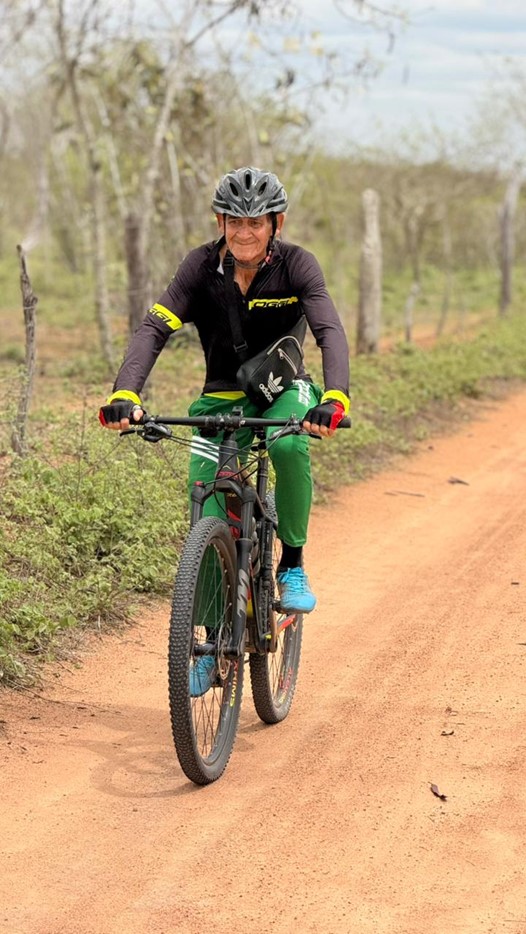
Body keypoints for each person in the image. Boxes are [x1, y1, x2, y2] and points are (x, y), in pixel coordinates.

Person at [99, 165, 350, 629]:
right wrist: (125, 392)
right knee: (206, 507)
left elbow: (329, 330)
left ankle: (292, 565)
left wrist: (334, 398)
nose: (244, 233)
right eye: (235, 221)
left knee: (288, 446)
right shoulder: (199, 267)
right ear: (220, 222)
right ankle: (211, 639)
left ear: (276, 223)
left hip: (284, 390)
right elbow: (154, 328)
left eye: (255, 222)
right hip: (219, 398)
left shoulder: (297, 265)